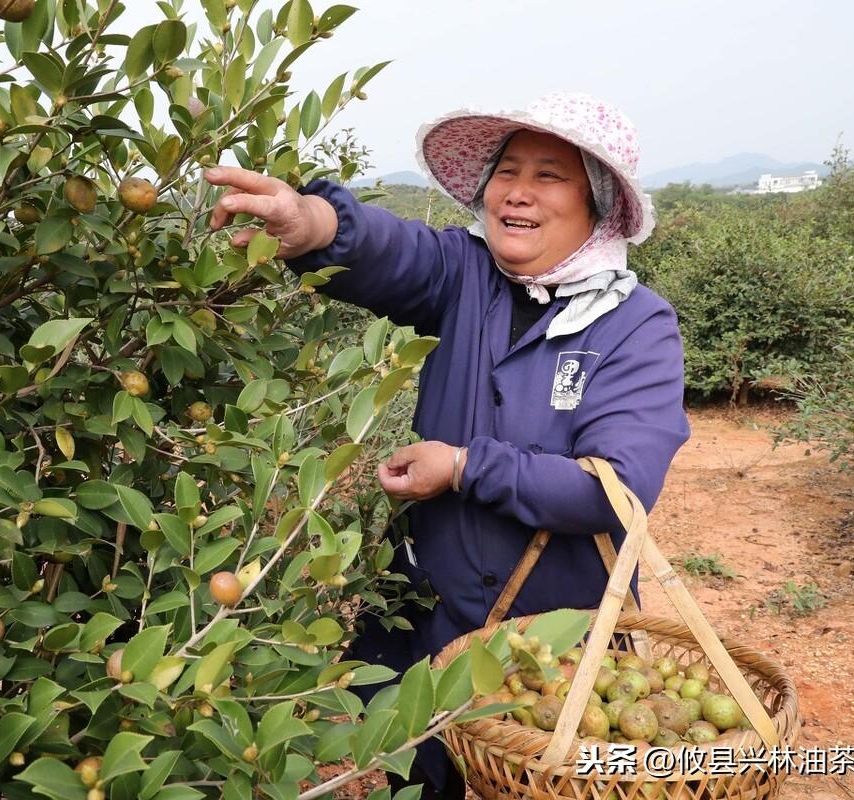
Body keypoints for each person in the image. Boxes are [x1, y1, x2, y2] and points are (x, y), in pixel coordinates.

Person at [206, 93, 690, 798]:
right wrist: (308, 221)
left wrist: (464, 466)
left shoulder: (635, 326)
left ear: (600, 204)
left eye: (549, 175)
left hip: (556, 647)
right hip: (430, 623)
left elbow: (613, 490)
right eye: (507, 171)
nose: (518, 193)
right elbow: (388, 250)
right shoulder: (466, 276)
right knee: (426, 776)